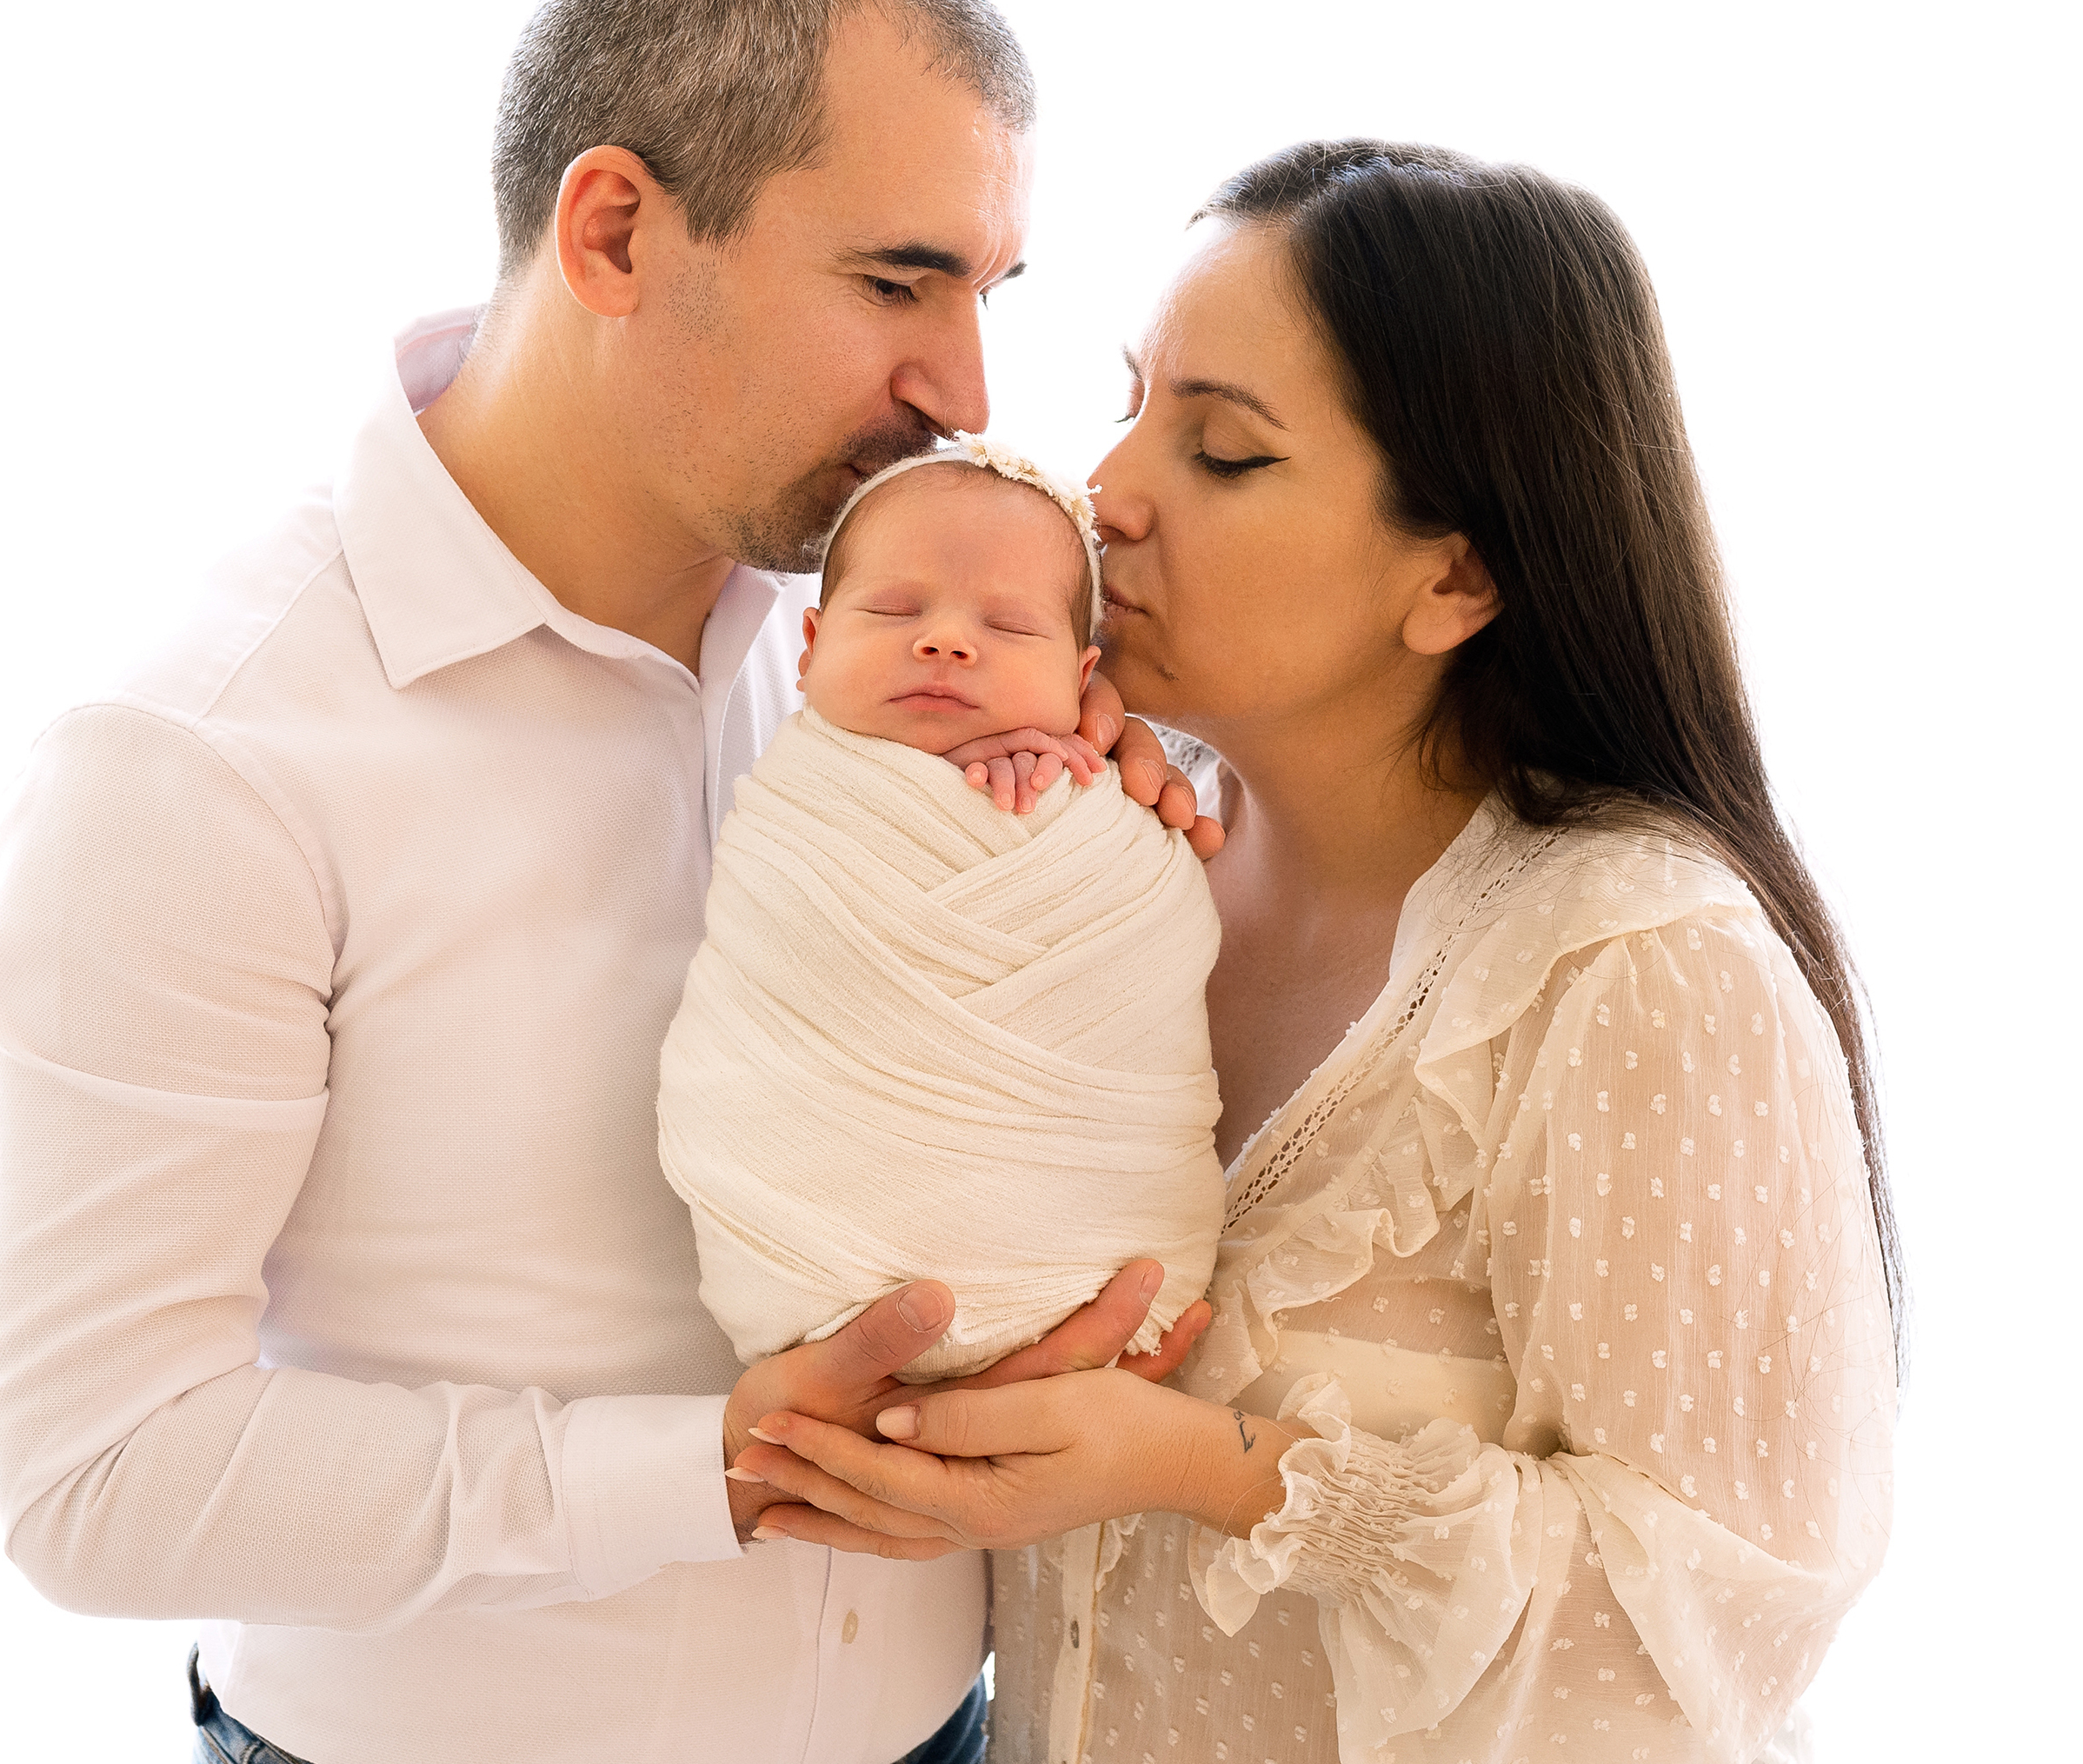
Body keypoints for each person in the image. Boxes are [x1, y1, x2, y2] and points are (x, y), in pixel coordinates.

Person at [0, 0, 1195, 1764]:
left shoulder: (909, 633)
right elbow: (101, 1478)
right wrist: (708, 1471)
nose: (964, 390)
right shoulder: (203, 755)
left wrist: (1123, 804)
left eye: (987, 291)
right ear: (615, 229)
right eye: (895, 283)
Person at [725, 141, 1900, 1764]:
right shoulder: (1112, 850)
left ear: (1456, 574)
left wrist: (1200, 1466)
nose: (1105, 489)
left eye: (1222, 450)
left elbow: (1705, 1635)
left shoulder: (1635, 967)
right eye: (1131, 403)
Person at [661, 439, 1224, 1384]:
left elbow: (1140, 954)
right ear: (809, 648)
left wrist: (1064, 804)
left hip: (1092, 1268)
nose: (947, 642)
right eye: (892, 610)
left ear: (1083, 677)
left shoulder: (1107, 797)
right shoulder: (796, 791)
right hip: (806, 1271)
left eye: (1009, 627)